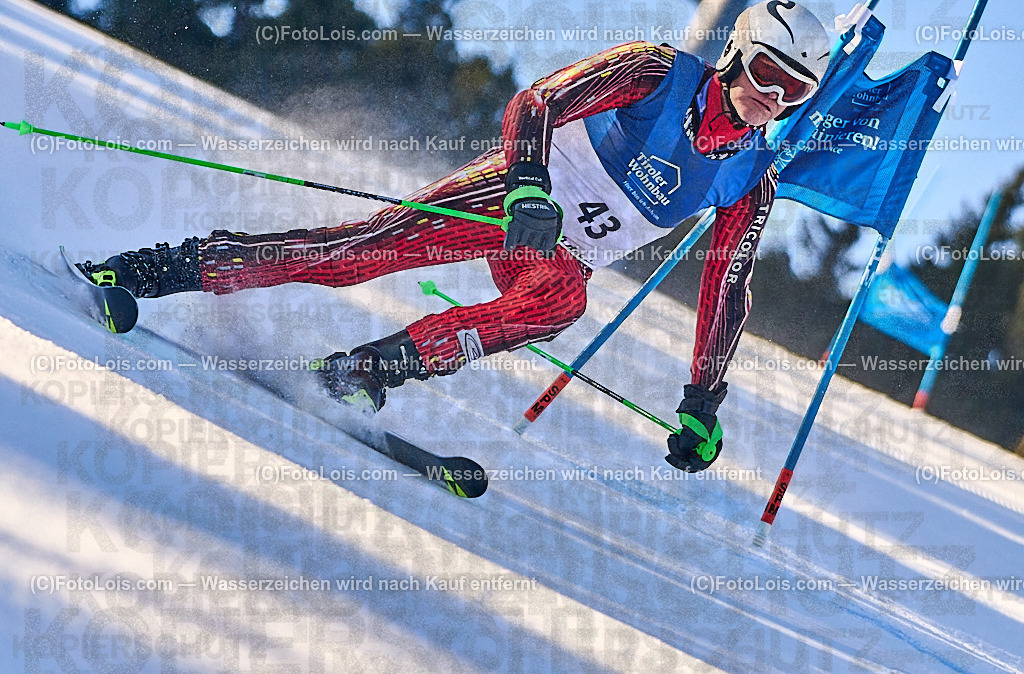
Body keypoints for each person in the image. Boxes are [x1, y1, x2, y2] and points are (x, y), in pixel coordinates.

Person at [78, 1, 831, 472]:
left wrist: (704, 395)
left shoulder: (747, 180)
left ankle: (364, 372)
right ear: (737, 53)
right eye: (768, 72)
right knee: (356, 256)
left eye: (795, 91)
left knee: (561, 300)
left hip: (555, 255)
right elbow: (538, 100)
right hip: (512, 197)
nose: (771, 99)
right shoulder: (656, 73)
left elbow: (727, 286)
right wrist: (531, 181)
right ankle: (155, 268)